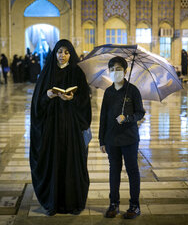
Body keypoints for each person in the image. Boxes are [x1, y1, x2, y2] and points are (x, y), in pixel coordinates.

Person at [30, 39, 92, 216]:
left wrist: (73, 99)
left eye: (66, 52)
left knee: (71, 162)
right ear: (54, 53)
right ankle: (52, 203)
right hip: (52, 128)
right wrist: (48, 95)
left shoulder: (77, 73)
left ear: (70, 54)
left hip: (71, 127)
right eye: (59, 52)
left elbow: (85, 102)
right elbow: (37, 104)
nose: (62, 55)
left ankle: (73, 203)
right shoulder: (47, 73)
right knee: (54, 162)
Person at [99, 56, 145, 219]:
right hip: (111, 139)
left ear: (125, 72)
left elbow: (140, 112)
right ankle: (114, 204)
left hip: (129, 138)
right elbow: (103, 116)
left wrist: (127, 118)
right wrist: (101, 140)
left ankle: (134, 205)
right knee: (114, 171)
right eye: (112, 69)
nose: (115, 72)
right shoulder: (108, 92)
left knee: (132, 171)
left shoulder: (132, 90)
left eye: (118, 69)